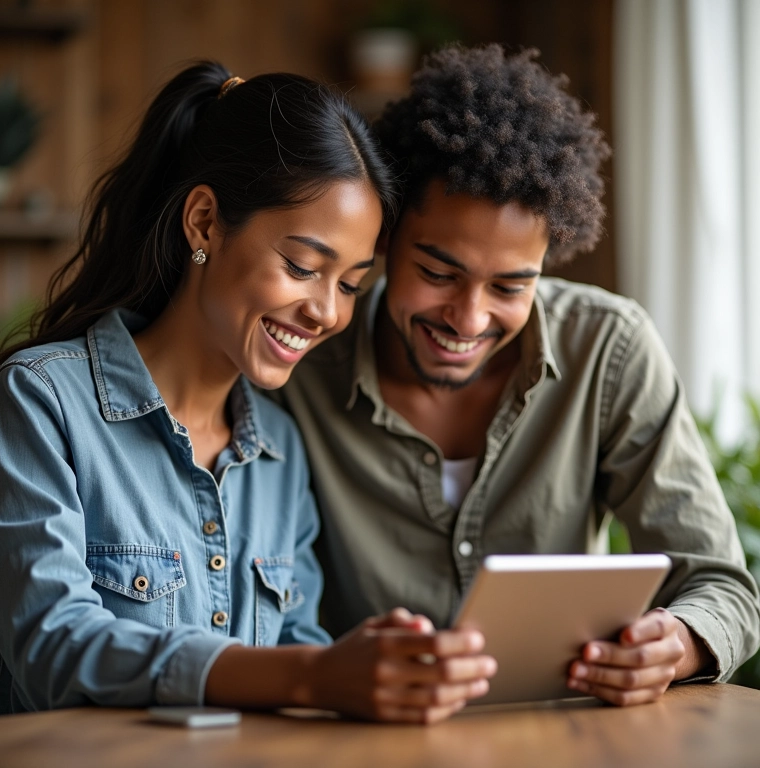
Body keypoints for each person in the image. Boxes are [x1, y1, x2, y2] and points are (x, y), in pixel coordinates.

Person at [0, 61, 497, 722]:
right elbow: (54, 646)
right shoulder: (41, 402)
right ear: (203, 223)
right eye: (302, 266)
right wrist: (312, 676)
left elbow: (299, 650)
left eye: (348, 284)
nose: (327, 312)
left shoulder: (280, 450)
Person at [278, 44, 760, 706]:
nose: (468, 319)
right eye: (438, 274)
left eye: (510, 285)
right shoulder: (301, 361)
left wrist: (678, 640)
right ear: (385, 237)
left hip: (562, 733)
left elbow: (723, 585)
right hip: (359, 736)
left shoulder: (607, 350)